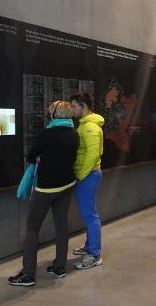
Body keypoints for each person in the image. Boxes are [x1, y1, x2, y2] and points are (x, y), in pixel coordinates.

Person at [8, 101, 79, 287]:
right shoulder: (74, 134)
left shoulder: (47, 134)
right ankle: (59, 266)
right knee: (61, 225)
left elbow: (32, 156)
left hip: (46, 188)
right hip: (67, 185)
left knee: (32, 229)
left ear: (54, 115)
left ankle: (28, 275)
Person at [70, 93, 105, 270]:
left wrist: (81, 175)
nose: (72, 110)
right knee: (88, 213)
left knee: (90, 215)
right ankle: (90, 245)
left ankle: (94, 254)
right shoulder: (84, 125)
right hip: (87, 175)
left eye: (74, 106)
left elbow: (92, 154)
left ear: (83, 106)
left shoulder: (90, 127)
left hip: (88, 175)